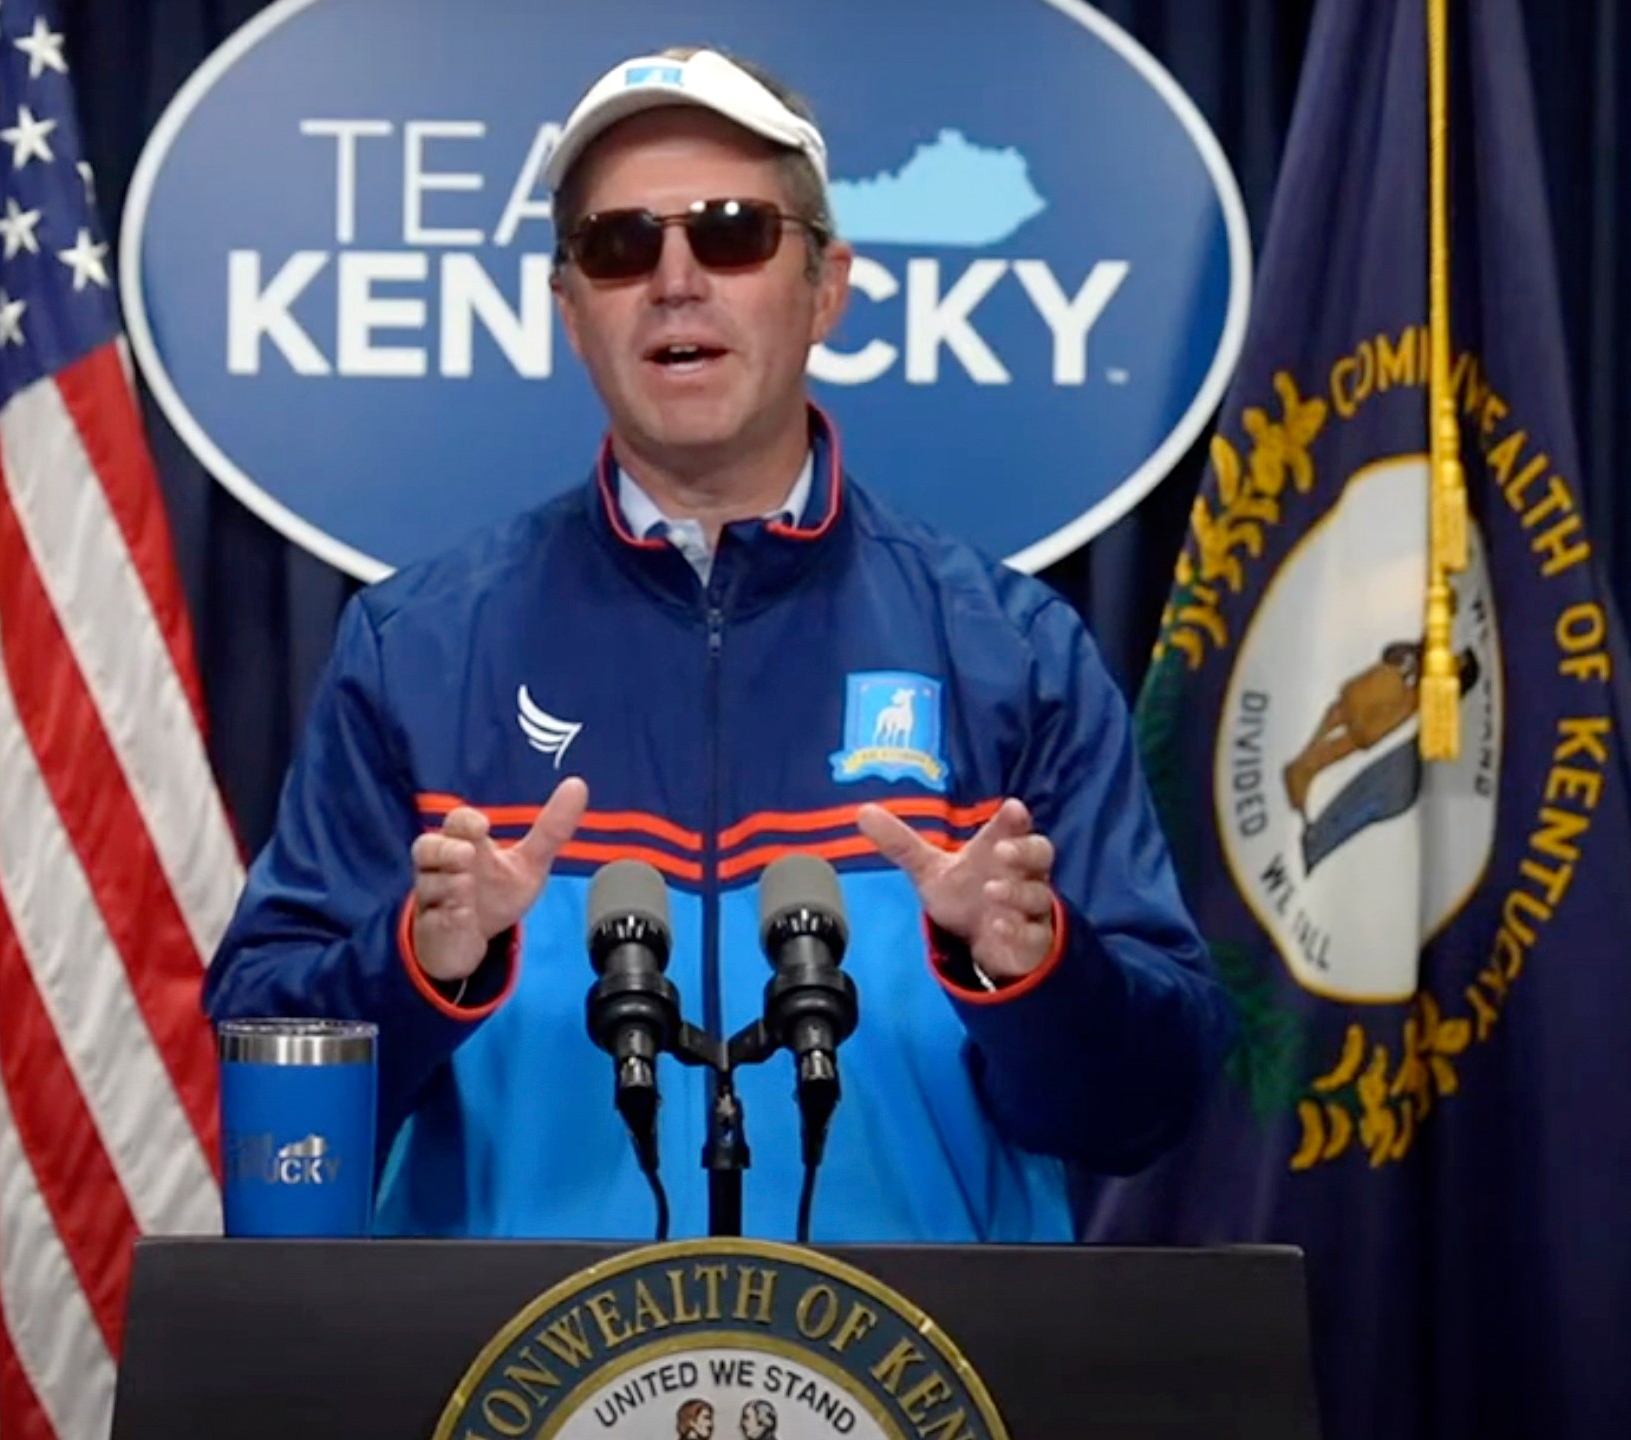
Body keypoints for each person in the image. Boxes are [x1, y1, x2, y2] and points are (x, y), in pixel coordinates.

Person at [203, 45, 1232, 1243]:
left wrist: (1034, 970)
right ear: (570, 309)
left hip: (913, 1390)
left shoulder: (1013, 656)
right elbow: (266, 1088)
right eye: (619, 246)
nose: (676, 280)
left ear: (827, 285)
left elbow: (1150, 1108)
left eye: (733, 233)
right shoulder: (415, 650)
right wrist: (421, 965)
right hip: (524, 1389)